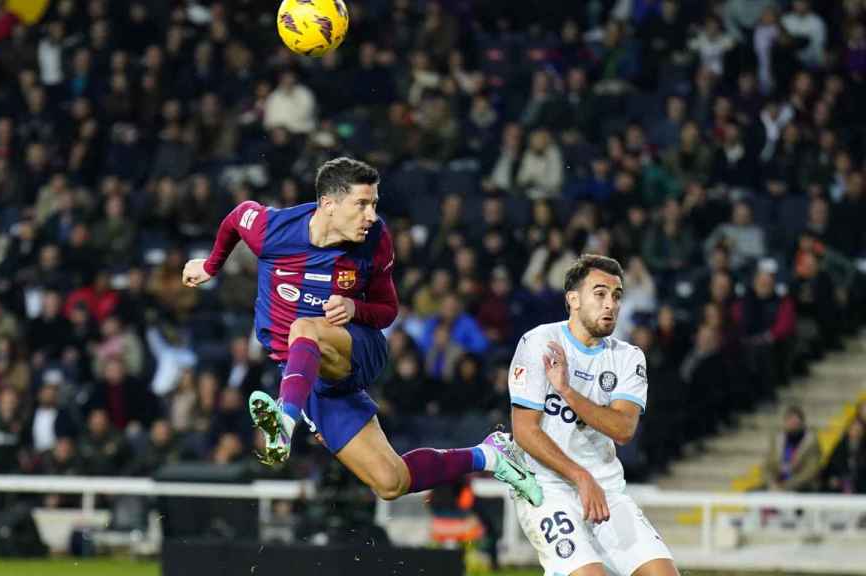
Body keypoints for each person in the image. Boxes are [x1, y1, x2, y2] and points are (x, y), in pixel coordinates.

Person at [181, 157, 541, 504]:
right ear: (329, 204)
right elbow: (235, 218)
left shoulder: (374, 240)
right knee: (390, 481)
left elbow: (387, 311)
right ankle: (491, 456)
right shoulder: (273, 231)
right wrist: (211, 267)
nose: (372, 215)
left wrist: (355, 307)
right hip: (307, 375)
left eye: (374, 204)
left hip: (356, 348)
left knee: (305, 327)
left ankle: (284, 421)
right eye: (362, 204)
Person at [491, 254, 678, 576]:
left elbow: (622, 429)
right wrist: (579, 476)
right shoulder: (539, 343)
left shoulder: (628, 357)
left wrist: (567, 391)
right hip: (547, 489)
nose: (611, 304)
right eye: (600, 293)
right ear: (573, 299)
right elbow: (524, 431)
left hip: (606, 489)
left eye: (617, 296)